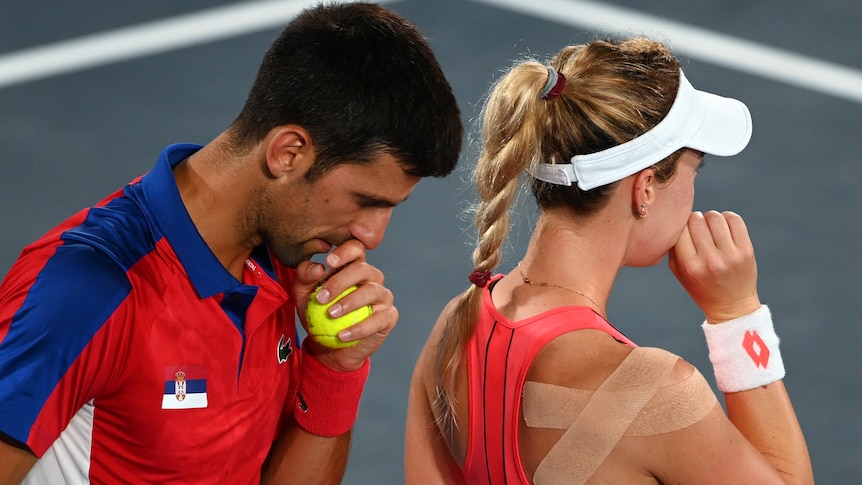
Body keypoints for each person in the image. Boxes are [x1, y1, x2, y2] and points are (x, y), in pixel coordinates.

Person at [0, 2, 462, 484]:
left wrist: (334, 369)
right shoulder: (87, 290)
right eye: (365, 200)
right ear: (288, 153)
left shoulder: (284, 268)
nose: (373, 235)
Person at [405, 37, 814, 484]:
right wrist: (737, 314)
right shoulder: (655, 395)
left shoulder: (453, 329)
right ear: (645, 189)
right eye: (694, 168)